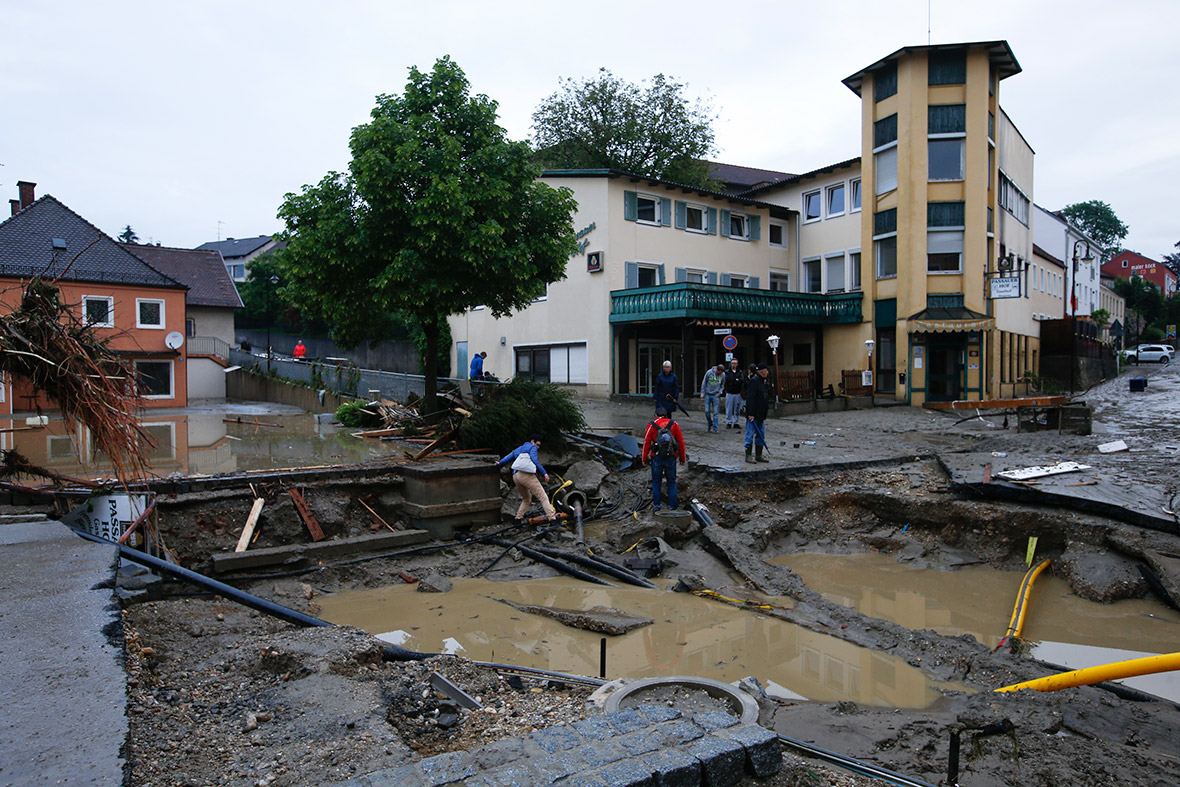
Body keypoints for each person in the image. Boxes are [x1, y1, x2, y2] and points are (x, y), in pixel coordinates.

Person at [496, 434, 556, 523]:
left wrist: (499, 464)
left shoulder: (519, 448)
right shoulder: (532, 447)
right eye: (538, 444)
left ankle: (518, 518)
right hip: (526, 475)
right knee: (543, 497)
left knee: (526, 498)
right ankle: (552, 519)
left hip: (516, 476)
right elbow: (534, 460)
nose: (538, 447)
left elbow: (507, 458)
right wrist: (544, 473)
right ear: (532, 441)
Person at [641, 409, 686, 510]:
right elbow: (680, 442)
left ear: (656, 415)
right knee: (671, 482)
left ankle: (657, 505)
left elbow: (646, 443)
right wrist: (682, 458)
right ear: (666, 415)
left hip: (656, 457)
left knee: (656, 482)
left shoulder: (652, 425)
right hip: (671, 457)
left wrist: (644, 458)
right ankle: (673, 506)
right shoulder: (674, 424)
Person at [744, 364, 771, 464]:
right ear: (762, 371)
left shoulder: (763, 382)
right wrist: (751, 413)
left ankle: (759, 455)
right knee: (749, 435)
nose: (768, 373)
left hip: (761, 414)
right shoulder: (754, 382)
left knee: (761, 435)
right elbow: (750, 398)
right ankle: (748, 455)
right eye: (766, 371)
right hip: (753, 414)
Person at [700, 363, 724, 433]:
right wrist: (702, 393)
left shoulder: (723, 375)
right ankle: (710, 423)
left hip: (716, 395)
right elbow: (704, 382)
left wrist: (719, 393)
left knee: (716, 412)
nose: (721, 374)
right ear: (717, 370)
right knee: (707, 411)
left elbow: (723, 385)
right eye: (720, 372)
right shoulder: (709, 372)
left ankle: (715, 428)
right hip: (708, 394)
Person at [722, 358, 744, 429]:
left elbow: (741, 381)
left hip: (737, 392)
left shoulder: (739, 372)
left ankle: (736, 422)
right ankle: (729, 422)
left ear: (737, 364)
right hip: (730, 392)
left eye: (735, 363)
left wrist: (734, 381)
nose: (733, 365)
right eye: (732, 363)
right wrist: (735, 380)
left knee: (737, 408)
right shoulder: (727, 372)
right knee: (729, 408)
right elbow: (728, 380)